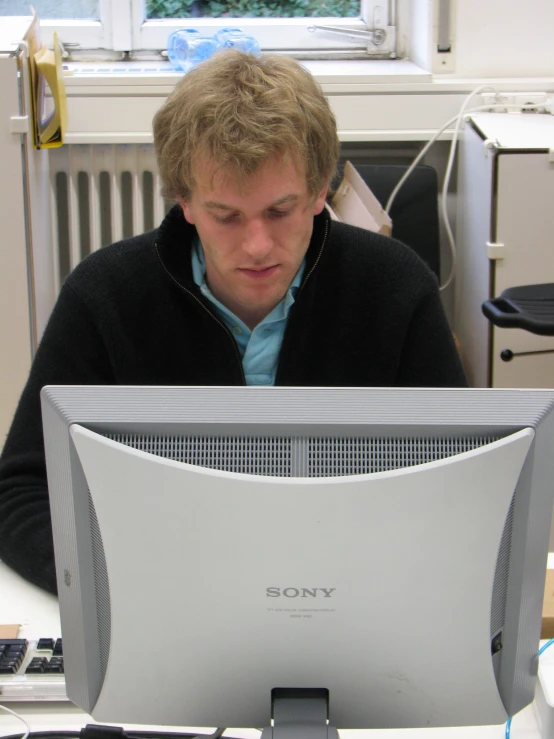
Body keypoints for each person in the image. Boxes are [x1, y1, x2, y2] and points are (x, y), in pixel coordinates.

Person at [0, 51, 466, 595]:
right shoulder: (106, 296)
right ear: (185, 202)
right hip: (162, 596)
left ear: (320, 190)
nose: (257, 246)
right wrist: (124, 579)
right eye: (226, 217)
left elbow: (459, 481)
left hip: (351, 595)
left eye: (280, 210)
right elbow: (21, 493)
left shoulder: (395, 288)